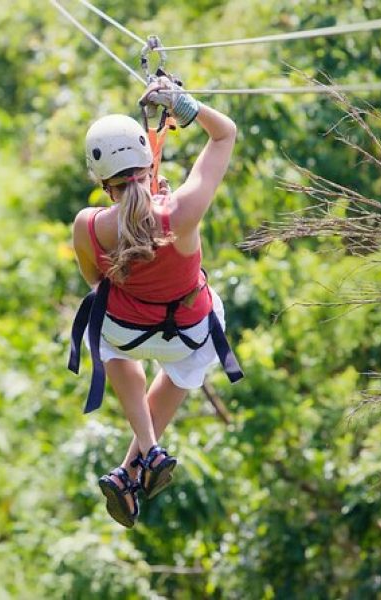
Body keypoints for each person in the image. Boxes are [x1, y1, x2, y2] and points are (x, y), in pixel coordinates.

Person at [69, 77, 241, 528]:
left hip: (126, 330)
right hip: (189, 331)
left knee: (101, 326)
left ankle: (143, 455)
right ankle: (138, 461)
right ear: (149, 164)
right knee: (185, 364)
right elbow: (226, 134)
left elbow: (96, 280)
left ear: (104, 184)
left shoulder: (87, 226)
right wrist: (187, 107)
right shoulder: (182, 212)